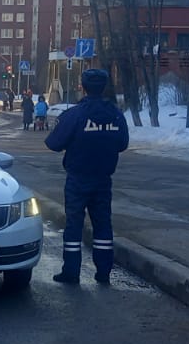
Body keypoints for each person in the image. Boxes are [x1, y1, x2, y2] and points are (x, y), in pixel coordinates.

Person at [44, 67, 130, 285]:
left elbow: (53, 143)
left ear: (82, 87)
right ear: (104, 87)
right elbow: (122, 144)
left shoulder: (75, 114)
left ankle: (71, 272)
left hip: (78, 179)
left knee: (74, 225)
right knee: (103, 225)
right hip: (103, 180)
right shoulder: (115, 114)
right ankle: (103, 272)